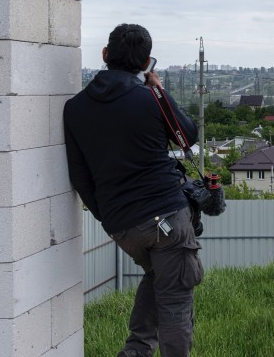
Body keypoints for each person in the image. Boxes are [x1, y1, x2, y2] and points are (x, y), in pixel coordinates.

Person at [64, 23, 202, 357]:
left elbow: (80, 176)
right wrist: (158, 90)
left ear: (105, 55)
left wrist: (109, 217)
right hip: (166, 218)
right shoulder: (148, 98)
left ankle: (136, 351)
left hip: (122, 225)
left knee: (158, 278)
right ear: (146, 64)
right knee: (175, 301)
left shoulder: (74, 108)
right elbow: (187, 138)